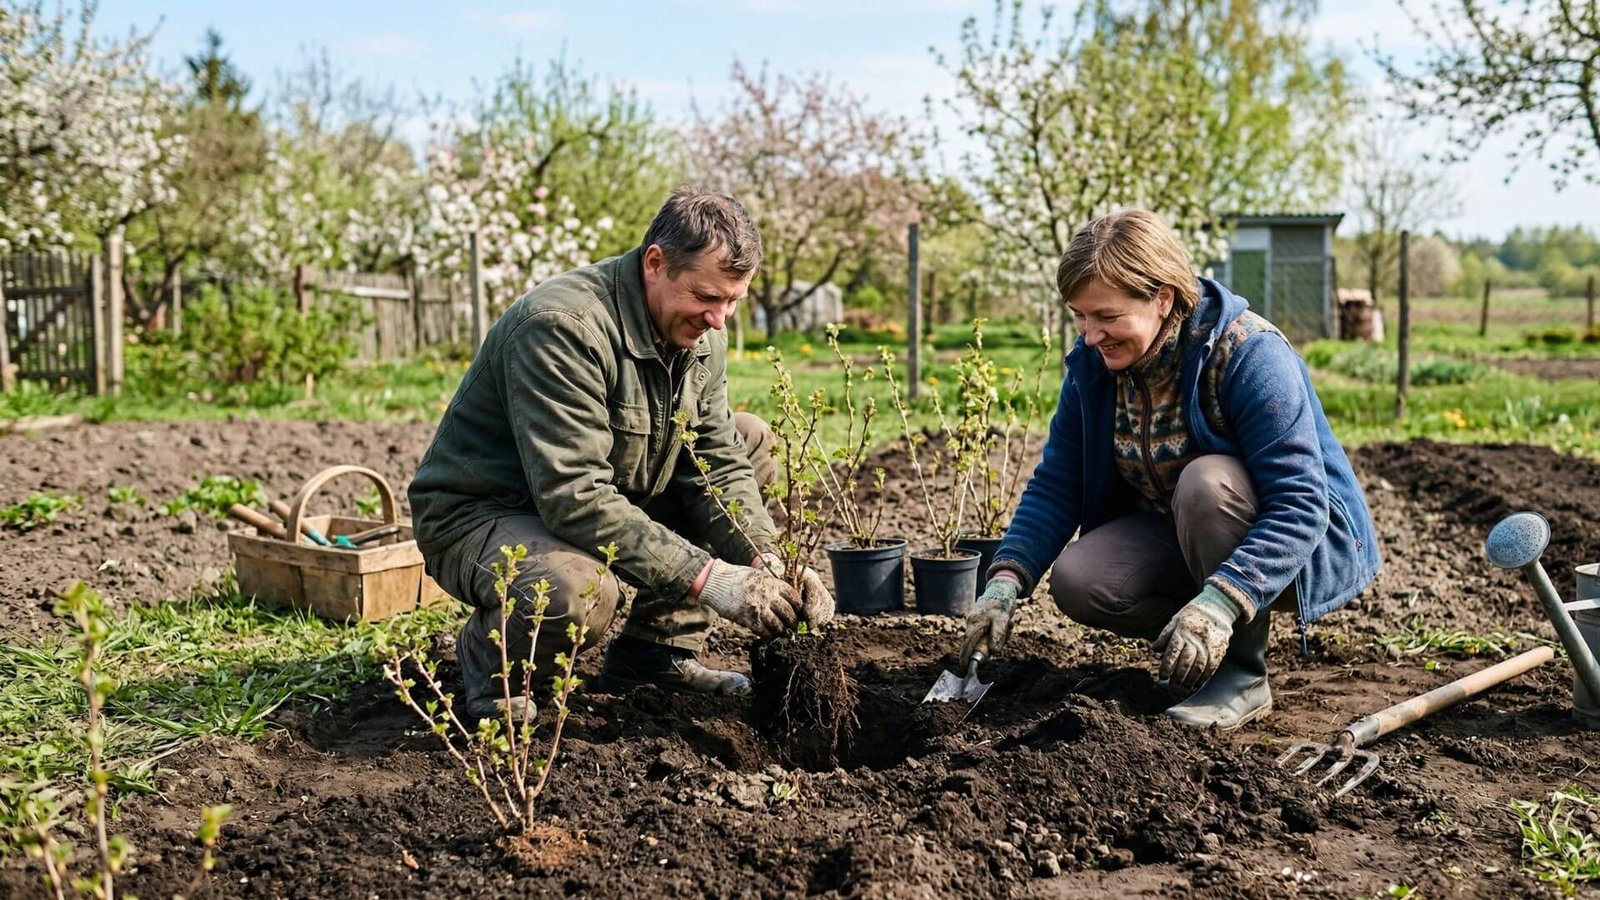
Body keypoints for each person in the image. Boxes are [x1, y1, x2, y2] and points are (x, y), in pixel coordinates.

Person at [410, 186, 835, 720]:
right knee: (575, 592)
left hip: (602, 492)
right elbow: (575, 496)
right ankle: (490, 667)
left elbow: (718, 460)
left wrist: (769, 559)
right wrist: (713, 579)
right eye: (707, 297)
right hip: (486, 512)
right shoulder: (563, 327)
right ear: (655, 263)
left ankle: (654, 654)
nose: (720, 319)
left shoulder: (703, 337)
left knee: (748, 437)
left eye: (733, 300)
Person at [959, 209, 1380, 731]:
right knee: (1079, 579)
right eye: (1079, 317)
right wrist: (1005, 579)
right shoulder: (1094, 367)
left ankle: (1241, 674)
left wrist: (1222, 601)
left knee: (1206, 484)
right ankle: (1200, 643)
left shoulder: (1248, 354)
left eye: (1107, 317)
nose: (1090, 335)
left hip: (1294, 545)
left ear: (1162, 298)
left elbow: (1300, 502)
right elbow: (1057, 483)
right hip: (1179, 532)